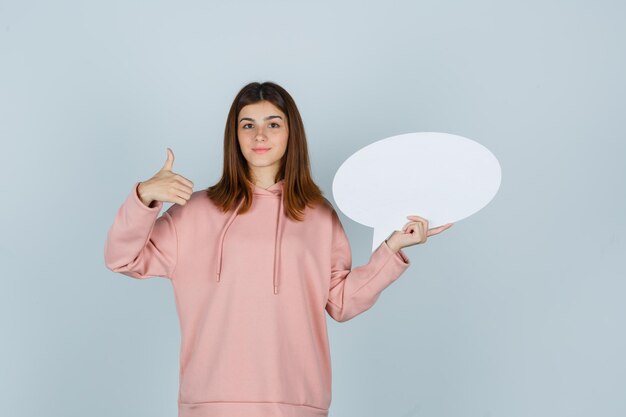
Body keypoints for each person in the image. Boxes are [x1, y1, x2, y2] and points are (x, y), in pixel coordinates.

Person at [104, 81, 453, 417]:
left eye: (273, 123)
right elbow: (123, 258)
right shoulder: (195, 212)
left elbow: (342, 303)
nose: (260, 135)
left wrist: (393, 248)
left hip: (297, 403)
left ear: (291, 134)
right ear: (234, 136)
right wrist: (144, 196)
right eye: (247, 125)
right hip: (210, 403)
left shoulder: (317, 215)